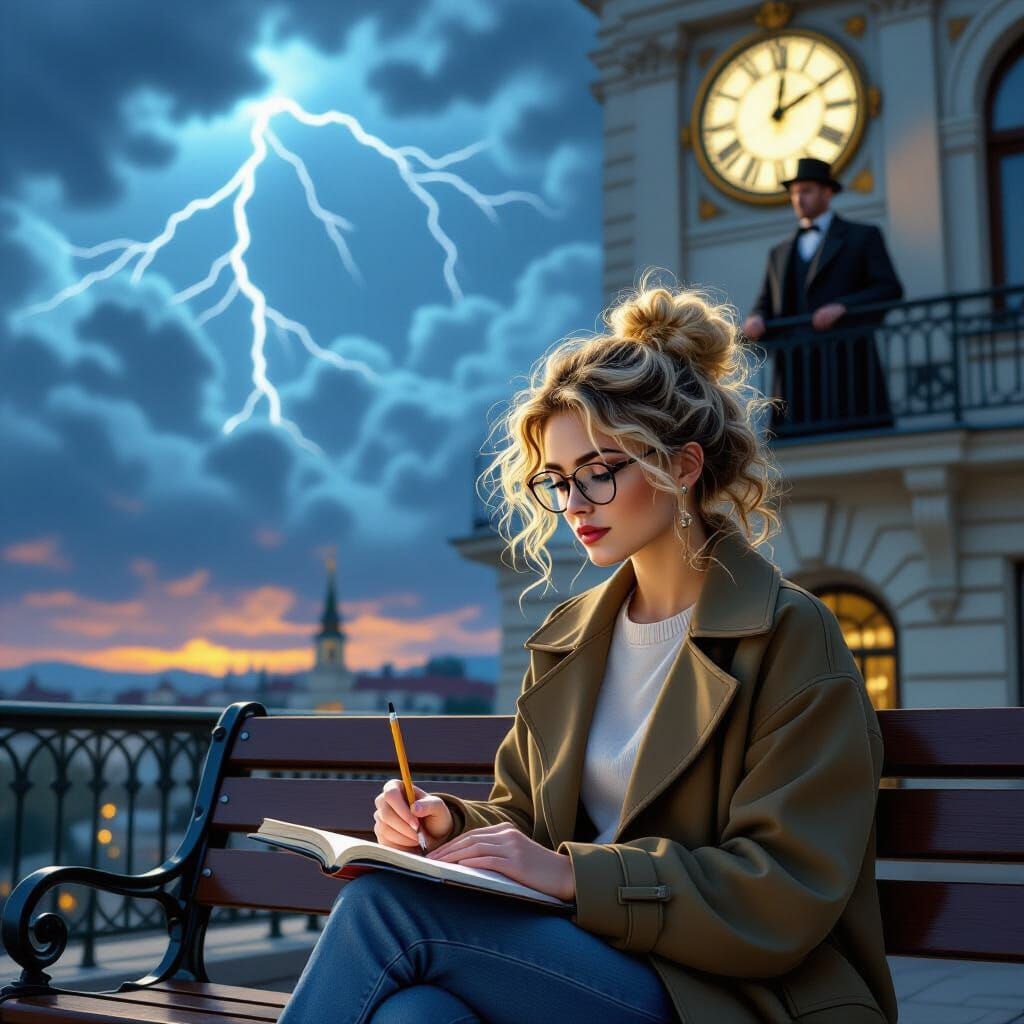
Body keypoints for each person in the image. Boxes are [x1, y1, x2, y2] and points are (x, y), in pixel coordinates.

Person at [278, 273, 898, 1024]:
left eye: (598, 474)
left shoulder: (790, 635)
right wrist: (450, 824)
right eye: (556, 481)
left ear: (683, 466)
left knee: (384, 908)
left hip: (727, 994)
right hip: (582, 965)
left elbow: (780, 891)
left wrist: (575, 878)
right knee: (417, 1018)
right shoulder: (572, 640)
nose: (573, 505)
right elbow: (527, 823)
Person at [743, 157, 904, 436]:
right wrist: (756, 318)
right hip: (794, 379)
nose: (799, 198)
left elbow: (889, 288)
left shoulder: (862, 236)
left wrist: (843, 307)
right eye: (795, 192)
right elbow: (765, 302)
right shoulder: (779, 253)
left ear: (827, 193)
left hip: (847, 371)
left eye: (806, 190)